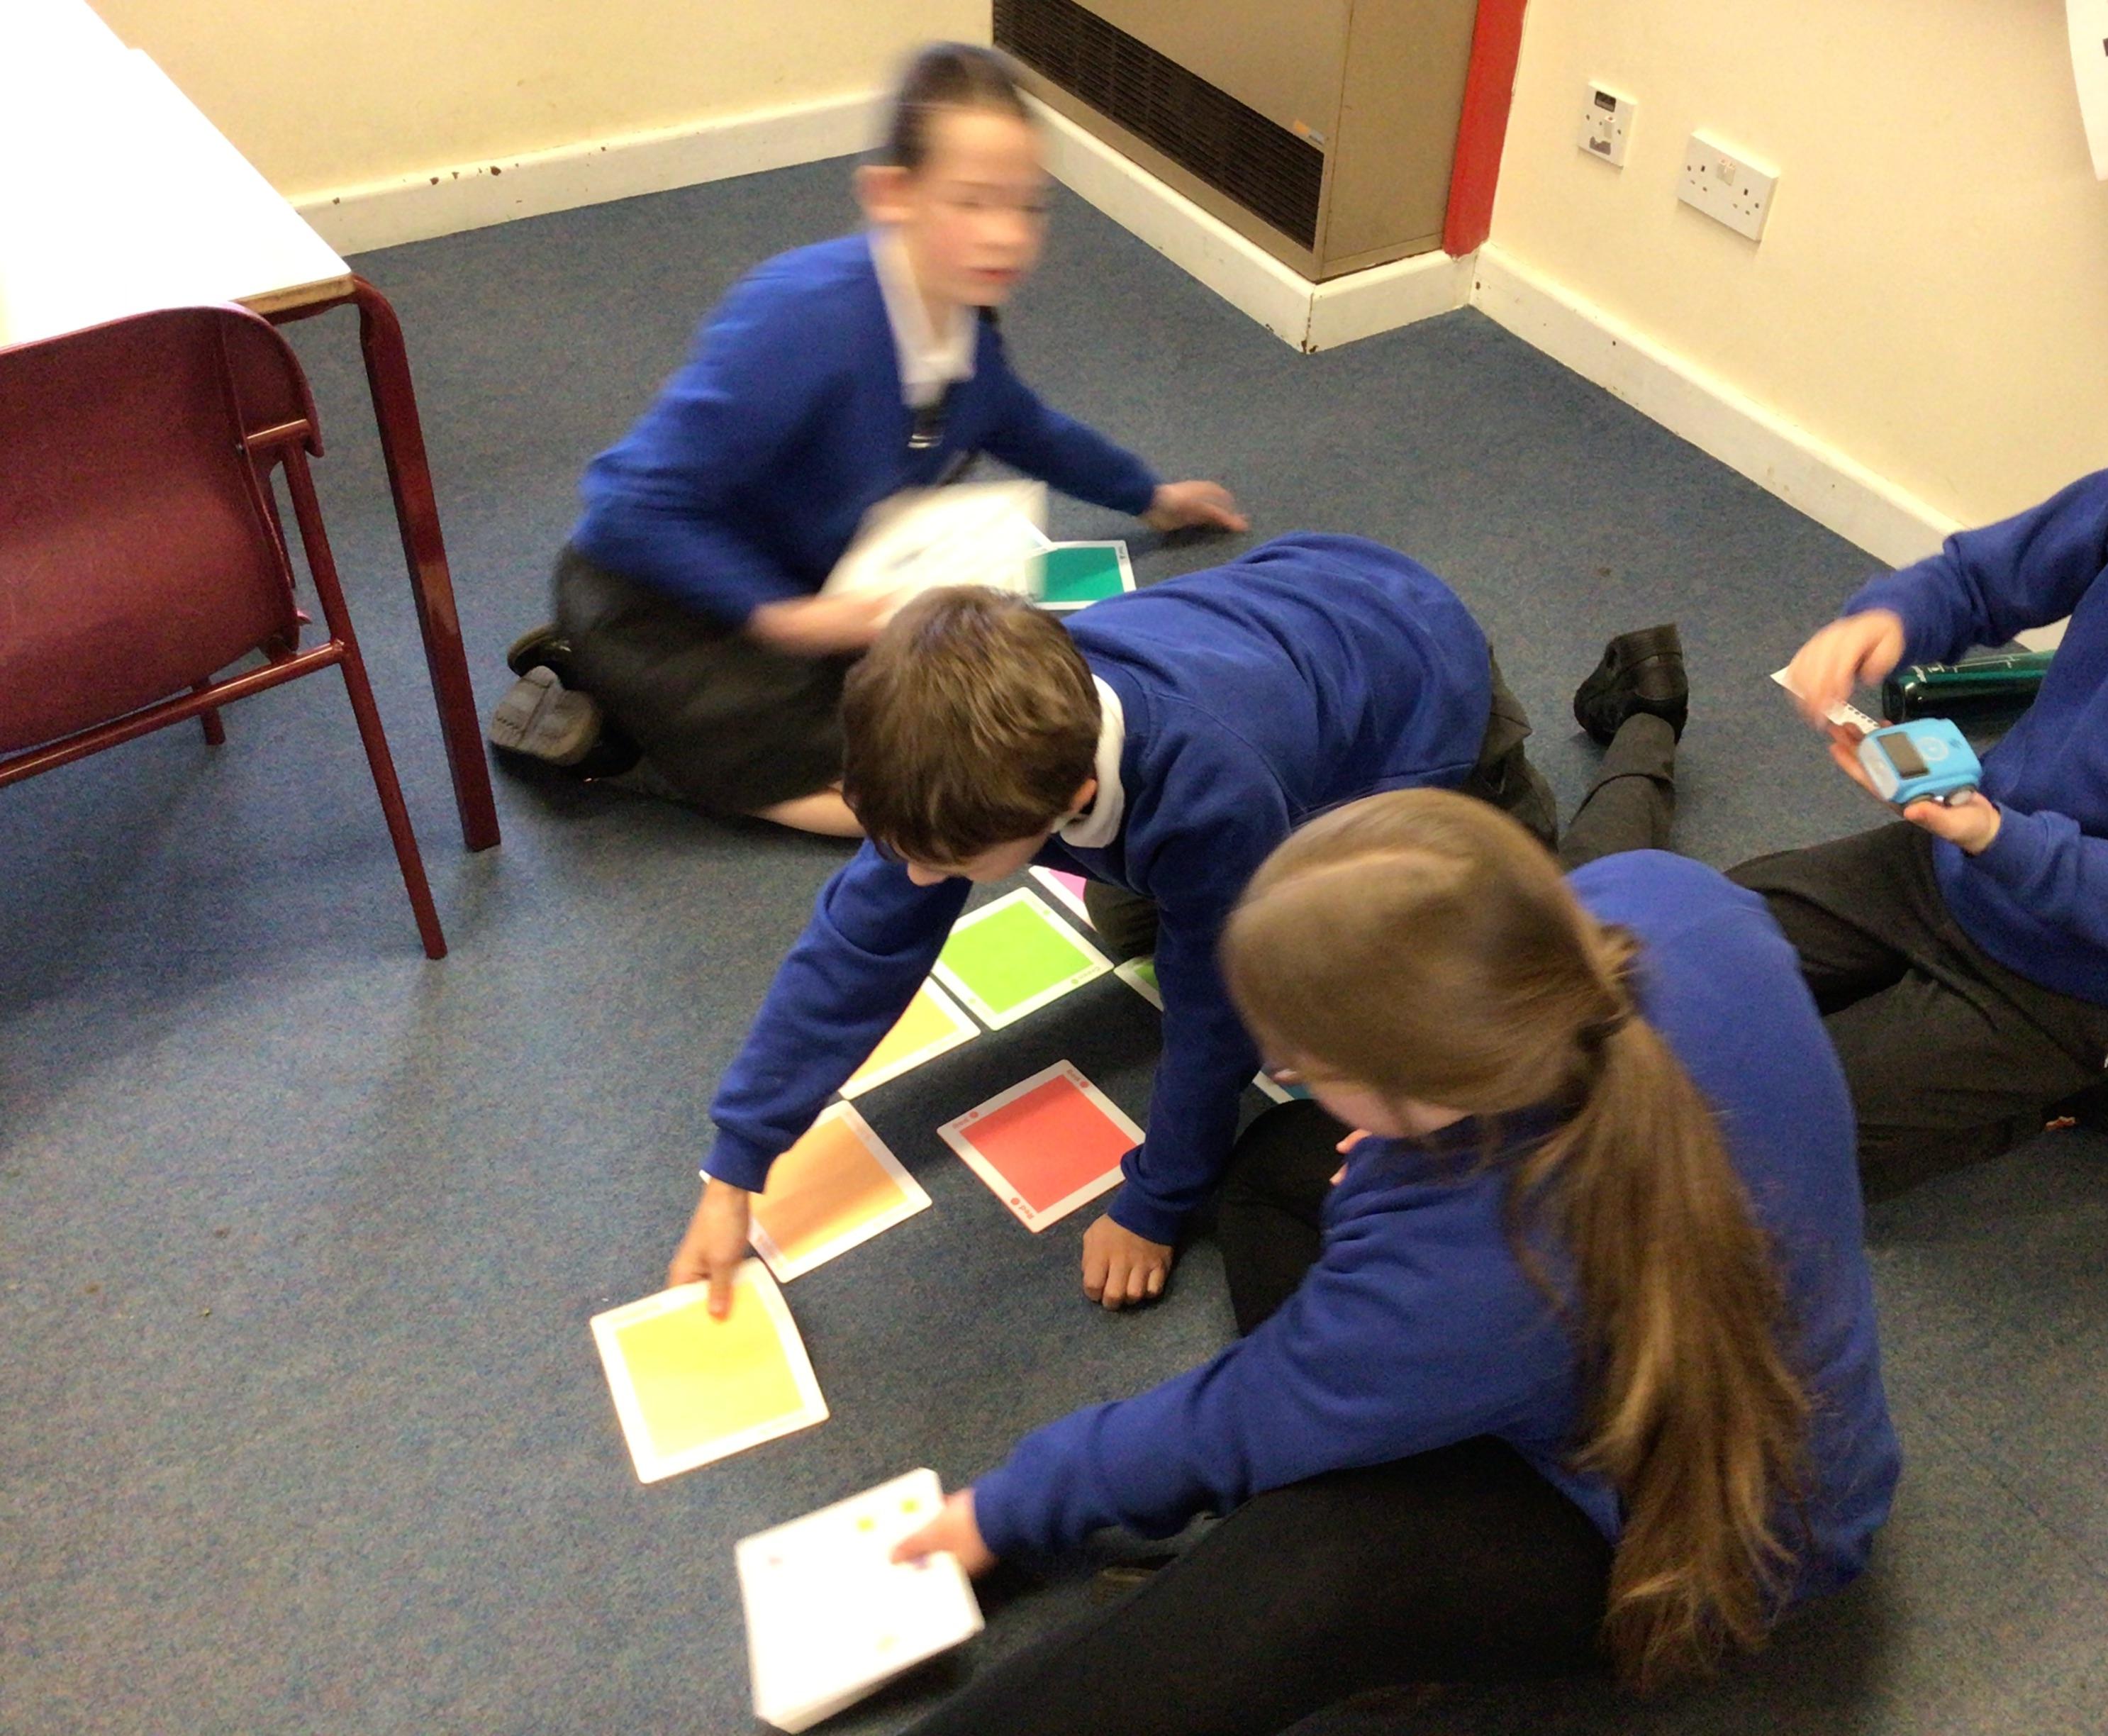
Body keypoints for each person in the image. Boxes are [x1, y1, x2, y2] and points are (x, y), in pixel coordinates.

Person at [882, 788, 1901, 1736]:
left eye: (1302, 1062)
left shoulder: (1457, 1279)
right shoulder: (1665, 898)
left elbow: (1231, 1423)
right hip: (1720, 1378)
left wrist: (1000, 1512)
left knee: (1296, 1568)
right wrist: (1413, 1125)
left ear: (1417, 1074)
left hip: (1701, 1545)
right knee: (1279, 1164)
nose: (1284, 1070)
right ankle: (1392, 1422)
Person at [664, 535, 1558, 1311]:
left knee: (1382, 975)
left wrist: (1156, 1203)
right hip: (1292, 608)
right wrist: (740, 1159)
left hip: (1423, 689)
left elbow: (1213, 1022)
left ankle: (1527, 829)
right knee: (1132, 923)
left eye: (948, 864)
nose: (921, 878)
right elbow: (857, 948)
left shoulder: (1214, 798)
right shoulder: (973, 748)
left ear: (1074, 796)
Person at [487, 42, 1243, 834]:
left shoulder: (966, 330)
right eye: (973, 202)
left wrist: (1149, 495)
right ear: (891, 195)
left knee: (945, 719)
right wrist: (782, 617)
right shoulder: (799, 319)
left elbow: (1030, 428)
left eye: (1028, 207)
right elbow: (628, 507)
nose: (1006, 236)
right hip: (656, 600)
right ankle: (623, 746)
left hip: (810, 583)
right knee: (902, 797)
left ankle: (622, 691)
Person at [1742, 201, 2108, 1190]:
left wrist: (1995, 837)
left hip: (2088, 976)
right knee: (1678, 951)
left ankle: (2103, 1076)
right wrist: (1892, 618)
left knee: (1776, 1142)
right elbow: (1980, 578)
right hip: (1964, 862)